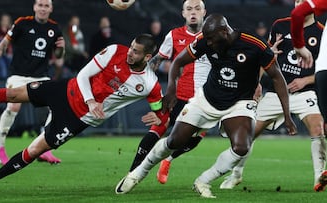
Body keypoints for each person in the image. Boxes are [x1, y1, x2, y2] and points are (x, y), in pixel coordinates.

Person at [115, 13, 297, 198]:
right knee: (174, 141)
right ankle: (137, 174)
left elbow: (277, 77)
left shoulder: (255, 44)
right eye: (207, 39)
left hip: (240, 102)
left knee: (242, 147)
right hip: (208, 98)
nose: (208, 43)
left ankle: (203, 180)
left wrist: (287, 115)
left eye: (211, 39)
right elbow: (178, 62)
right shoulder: (205, 40)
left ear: (224, 32)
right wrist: (171, 89)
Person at [0, 33, 169, 194]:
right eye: (131, 47)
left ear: (147, 57)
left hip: (76, 119)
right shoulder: (115, 50)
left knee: (35, 150)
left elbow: (161, 113)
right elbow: (83, 74)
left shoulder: (149, 84)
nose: (129, 53)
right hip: (64, 91)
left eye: (135, 51)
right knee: (12, 94)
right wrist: (91, 101)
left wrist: (157, 117)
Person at [219, 0, 326, 192]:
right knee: (248, 135)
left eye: (303, 1)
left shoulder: (321, 32)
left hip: (305, 93)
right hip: (277, 93)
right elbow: (264, 55)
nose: (299, 3)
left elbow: (323, 68)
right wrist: (257, 82)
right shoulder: (280, 25)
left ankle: (319, 178)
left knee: (317, 129)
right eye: (297, 0)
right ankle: (236, 174)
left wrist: (305, 80)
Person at [122, 0, 209, 185]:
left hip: (203, 99)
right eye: (189, 9)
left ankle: (168, 160)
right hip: (176, 97)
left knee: (193, 139)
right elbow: (157, 61)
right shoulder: (174, 35)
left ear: (204, 12)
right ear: (183, 13)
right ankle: (131, 173)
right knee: (157, 129)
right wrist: (144, 80)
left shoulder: (213, 36)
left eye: (197, 9)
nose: (193, 12)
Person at [0, 0, 65, 165]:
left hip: (41, 76)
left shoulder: (54, 28)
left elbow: (59, 59)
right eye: (40, 5)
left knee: (57, 106)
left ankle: (43, 148)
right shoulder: (22, 23)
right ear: (34, 7)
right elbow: (4, 43)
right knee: (14, 106)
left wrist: (62, 48)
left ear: (51, 9)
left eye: (46, 6)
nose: (43, 8)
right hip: (18, 75)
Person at [290, 0, 327, 192]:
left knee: (323, 127)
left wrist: (299, 46)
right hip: (282, 91)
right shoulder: (279, 25)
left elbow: (298, 14)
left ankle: (321, 174)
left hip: (321, 74)